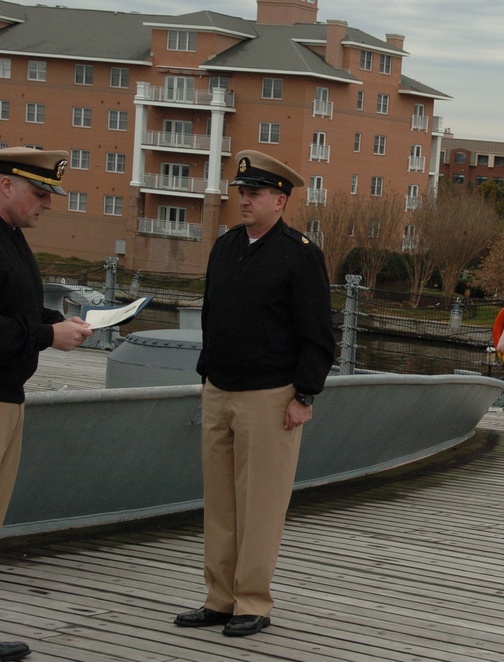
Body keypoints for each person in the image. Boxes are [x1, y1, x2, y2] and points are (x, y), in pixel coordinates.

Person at [174, 150, 336, 637]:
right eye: (242, 192)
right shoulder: (224, 247)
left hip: (270, 397)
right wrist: (206, 377)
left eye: (256, 193)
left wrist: (304, 395)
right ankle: (219, 598)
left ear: (280, 201)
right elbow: (210, 316)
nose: (244, 200)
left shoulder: (300, 254)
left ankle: (252, 603)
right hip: (219, 390)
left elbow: (317, 334)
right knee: (220, 503)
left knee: (260, 505)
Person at [0, 147, 93, 661]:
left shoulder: (12, 239)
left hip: (8, 396)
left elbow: (13, 306)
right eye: (40, 193)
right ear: (4, 186)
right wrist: (45, 334)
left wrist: (60, 322)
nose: (48, 204)